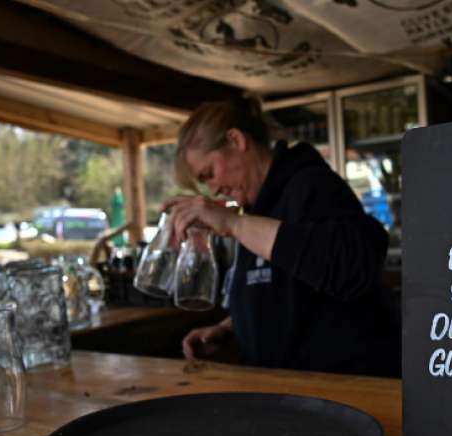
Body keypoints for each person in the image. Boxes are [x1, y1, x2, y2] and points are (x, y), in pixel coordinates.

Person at [162, 97, 402, 378]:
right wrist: (230, 329)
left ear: (236, 140)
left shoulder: (311, 185)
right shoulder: (254, 211)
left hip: (346, 390)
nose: (213, 190)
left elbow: (350, 267)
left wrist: (234, 223)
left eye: (209, 174)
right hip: (287, 392)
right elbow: (283, 293)